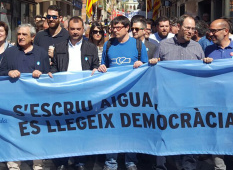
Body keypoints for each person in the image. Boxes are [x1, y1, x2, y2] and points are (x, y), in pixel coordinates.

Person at [149, 15, 204, 170]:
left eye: (193, 29)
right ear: (179, 27)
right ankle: (163, 166)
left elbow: (202, 73)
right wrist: (153, 63)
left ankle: (189, 165)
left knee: (190, 133)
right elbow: (154, 69)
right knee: (165, 133)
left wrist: (207, 63)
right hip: (168, 98)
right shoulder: (164, 46)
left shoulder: (197, 47)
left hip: (190, 100)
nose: (191, 31)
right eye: (187, 28)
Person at [98, 16, 148, 170]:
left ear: (127, 28)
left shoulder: (139, 45)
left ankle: (130, 161)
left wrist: (142, 64)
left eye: (118, 27)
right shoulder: (108, 45)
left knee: (131, 128)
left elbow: (147, 68)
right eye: (113, 27)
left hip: (132, 96)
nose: (114, 30)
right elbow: (103, 66)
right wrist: (101, 68)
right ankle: (110, 161)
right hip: (112, 96)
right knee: (111, 128)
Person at [50, 16, 99, 170]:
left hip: (84, 94)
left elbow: (95, 67)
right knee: (64, 127)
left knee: (81, 128)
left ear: (83, 30)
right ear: (68, 29)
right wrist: (51, 73)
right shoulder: (59, 47)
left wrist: (96, 71)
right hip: (64, 94)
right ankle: (62, 160)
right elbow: (55, 68)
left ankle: (80, 160)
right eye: (72, 29)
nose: (75, 32)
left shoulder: (91, 48)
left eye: (78, 29)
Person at [0, 23, 50, 170]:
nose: (20, 37)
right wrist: (8, 73)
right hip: (14, 104)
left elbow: (48, 74)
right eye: (19, 34)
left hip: (35, 104)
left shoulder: (41, 53)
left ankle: (38, 164)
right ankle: (14, 165)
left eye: (24, 34)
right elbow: (1, 73)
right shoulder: (10, 53)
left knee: (35, 134)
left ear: (33, 37)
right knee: (14, 134)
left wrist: (41, 73)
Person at [203, 19, 233, 170]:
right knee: (217, 135)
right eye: (210, 30)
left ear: (225, 31)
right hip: (215, 102)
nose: (210, 34)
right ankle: (219, 167)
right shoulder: (207, 50)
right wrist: (205, 65)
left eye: (214, 31)